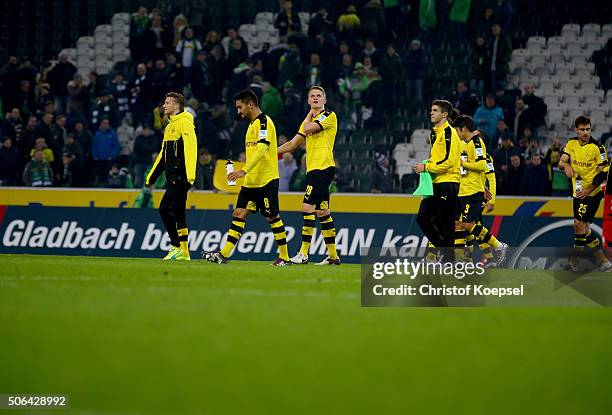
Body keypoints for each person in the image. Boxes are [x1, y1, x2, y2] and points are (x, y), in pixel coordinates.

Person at [204, 89, 291, 266]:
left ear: (250, 104)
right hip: (251, 182)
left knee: (272, 217)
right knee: (239, 213)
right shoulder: (251, 125)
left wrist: (244, 170)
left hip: (266, 179)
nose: (238, 111)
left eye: (240, 107)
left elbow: (262, 149)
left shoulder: (265, 122)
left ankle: (285, 257)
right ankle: (224, 255)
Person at [277, 86, 340, 265]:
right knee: (322, 211)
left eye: (319, 96)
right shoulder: (309, 120)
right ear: (307, 100)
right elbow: (291, 144)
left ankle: (303, 253)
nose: (315, 98)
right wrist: (271, 152)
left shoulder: (329, 115)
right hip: (313, 169)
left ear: (324, 100)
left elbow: (308, 128)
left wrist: (309, 115)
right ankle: (333, 256)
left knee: (307, 207)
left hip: (323, 168)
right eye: (312, 96)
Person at [146, 92, 197, 261]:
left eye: (167, 103)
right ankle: (185, 253)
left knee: (164, 208)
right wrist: (151, 177)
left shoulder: (185, 124)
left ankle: (176, 246)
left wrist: (190, 176)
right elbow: (163, 155)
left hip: (181, 177)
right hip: (172, 177)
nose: (164, 106)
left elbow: (191, 150)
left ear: (177, 106)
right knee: (179, 213)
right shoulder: (169, 127)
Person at [558, 116, 612, 271]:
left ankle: (574, 261)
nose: (585, 132)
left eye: (588, 129)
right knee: (583, 228)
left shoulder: (598, 148)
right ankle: (603, 261)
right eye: (582, 129)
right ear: (576, 130)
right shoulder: (571, 143)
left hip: (593, 192)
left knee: (579, 225)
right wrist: (566, 166)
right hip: (578, 192)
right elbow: (561, 162)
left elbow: (604, 173)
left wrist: (589, 189)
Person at [452, 115, 508, 263]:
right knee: (459, 224)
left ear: (464, 129)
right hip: (462, 191)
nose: (457, 134)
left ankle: (497, 246)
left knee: (470, 225)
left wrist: (492, 199)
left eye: (458, 130)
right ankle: (461, 261)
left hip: (472, 192)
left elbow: (483, 168)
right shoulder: (466, 144)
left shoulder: (477, 143)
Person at [413, 100, 461, 254]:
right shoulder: (434, 133)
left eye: (435, 110)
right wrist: (427, 168)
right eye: (431, 110)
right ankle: (445, 252)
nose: (431, 112)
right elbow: (437, 158)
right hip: (435, 182)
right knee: (422, 218)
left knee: (446, 224)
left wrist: (426, 167)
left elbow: (450, 161)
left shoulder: (450, 133)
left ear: (445, 114)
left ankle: (448, 260)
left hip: (448, 183)